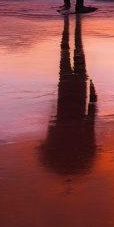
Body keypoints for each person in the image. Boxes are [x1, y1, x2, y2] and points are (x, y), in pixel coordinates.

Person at [38, 14, 98, 176]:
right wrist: (93, 99)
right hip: (70, 89)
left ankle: (72, 29)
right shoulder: (63, 135)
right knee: (68, 52)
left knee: (73, 52)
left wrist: (93, 98)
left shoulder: (63, 137)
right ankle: (73, 30)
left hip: (73, 90)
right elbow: (90, 121)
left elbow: (90, 121)